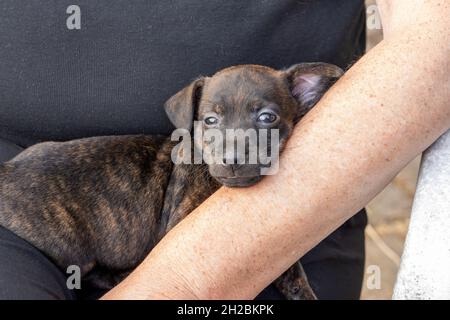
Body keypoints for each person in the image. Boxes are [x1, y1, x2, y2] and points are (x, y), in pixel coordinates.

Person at [0, 0, 448, 300]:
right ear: (192, 117)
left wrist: (180, 285)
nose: (235, 150)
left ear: (306, 92)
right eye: (213, 122)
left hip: (283, 222)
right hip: (31, 199)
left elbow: (438, 43)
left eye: (265, 118)